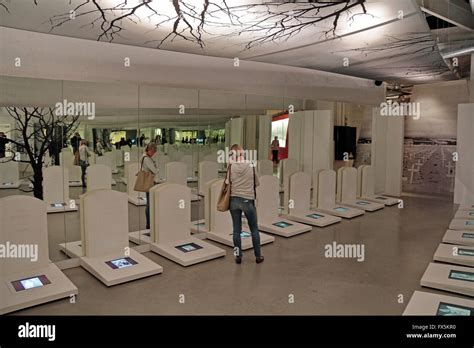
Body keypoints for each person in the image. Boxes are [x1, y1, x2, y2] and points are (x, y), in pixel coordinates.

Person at [226, 144, 264, 264]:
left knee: (236, 230)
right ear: (242, 152)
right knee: (254, 229)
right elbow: (257, 182)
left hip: (234, 200)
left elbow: (227, 182)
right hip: (248, 200)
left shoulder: (231, 166)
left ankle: (238, 257)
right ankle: (258, 256)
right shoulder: (251, 164)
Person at [141, 142, 160, 230]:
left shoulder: (144, 156)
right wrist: (157, 169)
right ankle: (149, 223)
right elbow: (155, 171)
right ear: (150, 150)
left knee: (149, 203)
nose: (154, 154)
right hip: (149, 182)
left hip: (148, 181)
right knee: (149, 204)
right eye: (153, 152)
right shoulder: (147, 159)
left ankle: (149, 223)